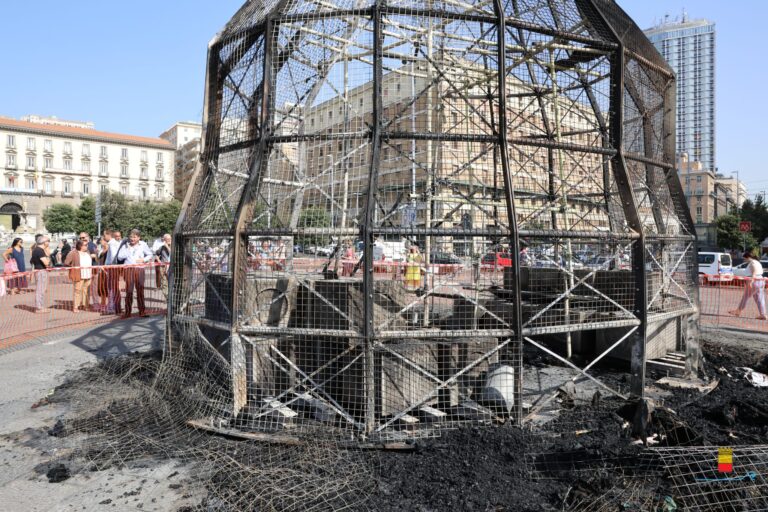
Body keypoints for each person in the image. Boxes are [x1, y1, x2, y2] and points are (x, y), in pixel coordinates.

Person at [112, 229, 153, 318]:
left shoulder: (143, 244)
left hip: (139, 269)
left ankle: (142, 311)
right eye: (131, 237)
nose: (132, 239)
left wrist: (143, 259)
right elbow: (119, 257)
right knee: (129, 291)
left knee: (140, 291)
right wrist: (128, 250)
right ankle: (127, 312)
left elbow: (150, 254)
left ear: (139, 237)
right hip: (129, 269)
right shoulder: (125, 245)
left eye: (134, 237)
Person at [729, 251, 767, 320]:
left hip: (754, 280)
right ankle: (763, 314)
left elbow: (754, 272)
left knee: (745, 297)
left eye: (745, 259)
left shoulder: (753, 263)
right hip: (760, 280)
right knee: (760, 298)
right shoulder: (757, 262)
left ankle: (738, 311)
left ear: (748, 257)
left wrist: (751, 281)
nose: (744, 260)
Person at [64, 240, 93, 313]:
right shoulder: (73, 253)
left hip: (88, 274)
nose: (87, 246)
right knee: (77, 291)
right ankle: (76, 307)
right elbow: (66, 262)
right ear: (80, 246)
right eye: (85, 245)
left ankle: (85, 305)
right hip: (79, 274)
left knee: (86, 291)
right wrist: (73, 268)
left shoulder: (87, 252)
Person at [30, 234, 52, 312]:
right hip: (41, 271)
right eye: (48, 241)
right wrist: (48, 258)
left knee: (41, 289)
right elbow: (46, 262)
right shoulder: (39, 250)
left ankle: (40, 306)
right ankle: (39, 307)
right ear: (44, 242)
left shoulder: (37, 250)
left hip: (40, 271)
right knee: (41, 289)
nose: (49, 243)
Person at [105, 230, 124, 314]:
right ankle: (114, 307)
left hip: (114, 267)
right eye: (116, 236)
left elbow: (114, 255)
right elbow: (114, 255)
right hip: (114, 266)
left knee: (113, 287)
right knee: (114, 287)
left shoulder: (115, 243)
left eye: (119, 236)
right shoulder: (115, 243)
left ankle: (114, 307)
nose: (118, 237)